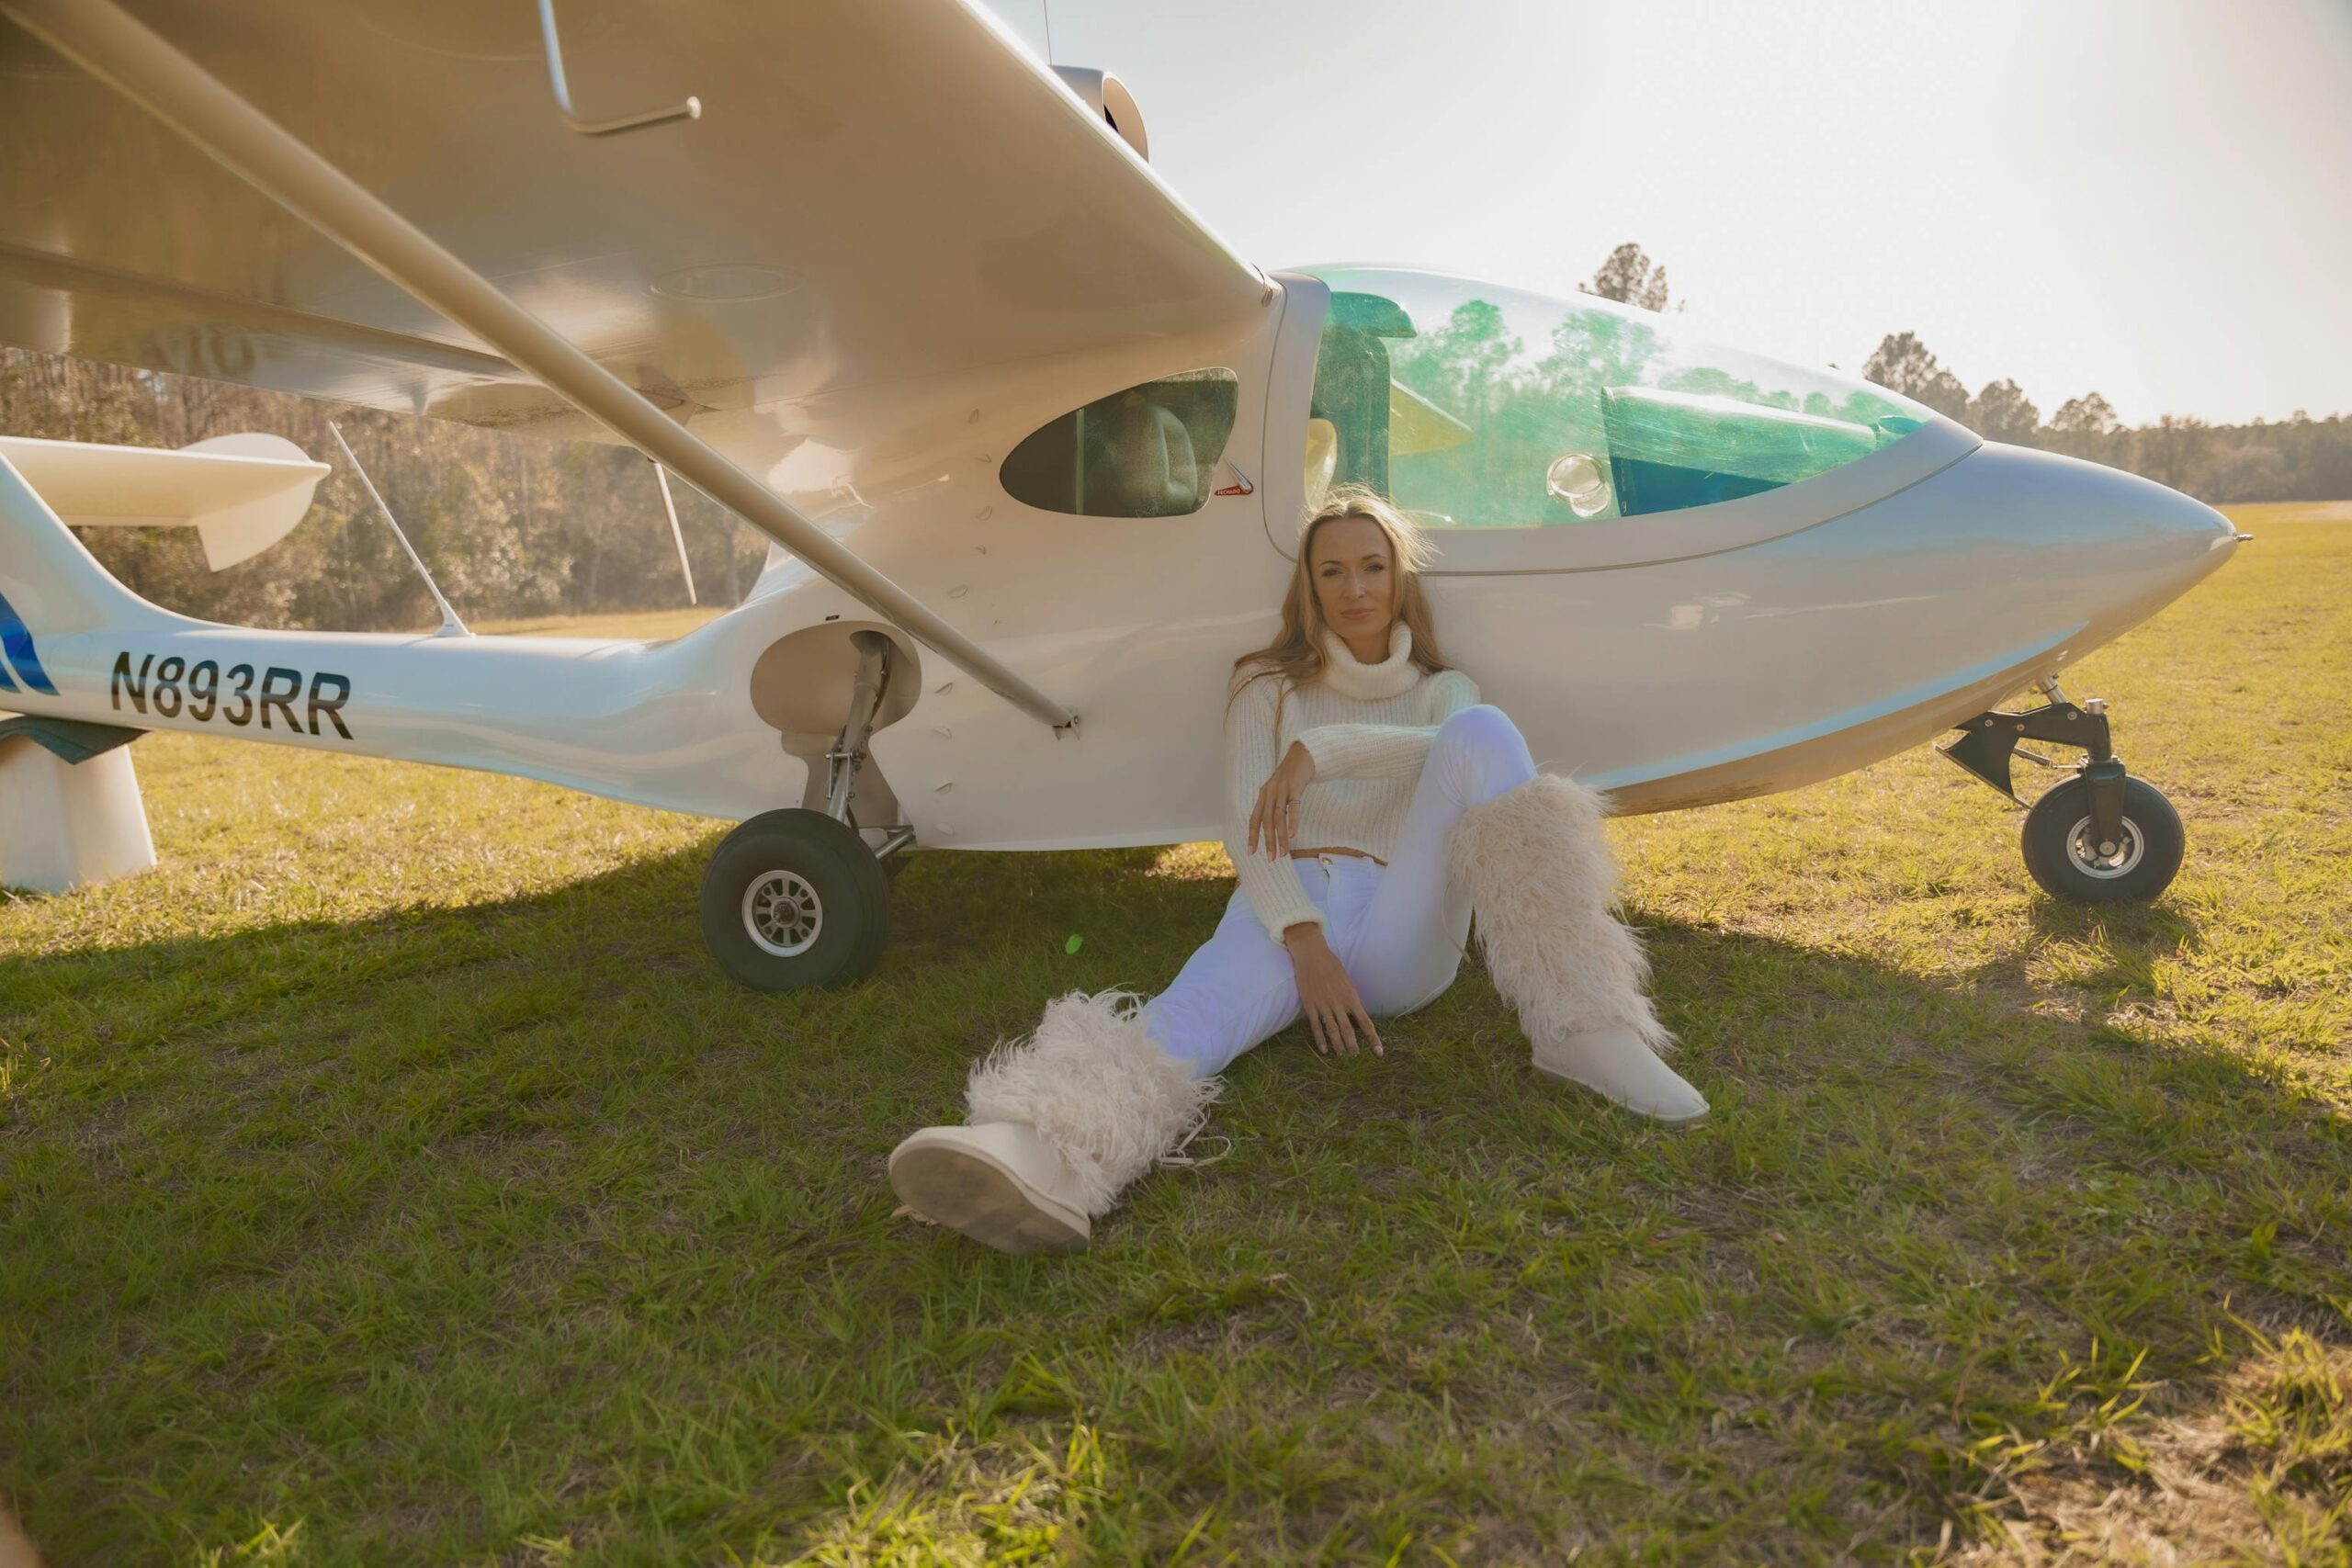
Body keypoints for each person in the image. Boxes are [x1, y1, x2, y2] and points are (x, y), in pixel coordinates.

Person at [888, 485, 1707, 1253]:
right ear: (1309, 589)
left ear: (1399, 577)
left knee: (1487, 733)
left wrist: (1323, 751)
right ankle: (1035, 1156)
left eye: (1374, 566)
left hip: (1401, 914)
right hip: (1284, 907)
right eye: (1333, 571)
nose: (1356, 587)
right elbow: (1249, 827)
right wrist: (1303, 940)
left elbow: (1453, 753)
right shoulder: (1265, 684)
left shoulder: (1445, 690)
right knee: (1184, 1024)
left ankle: (1583, 1028)